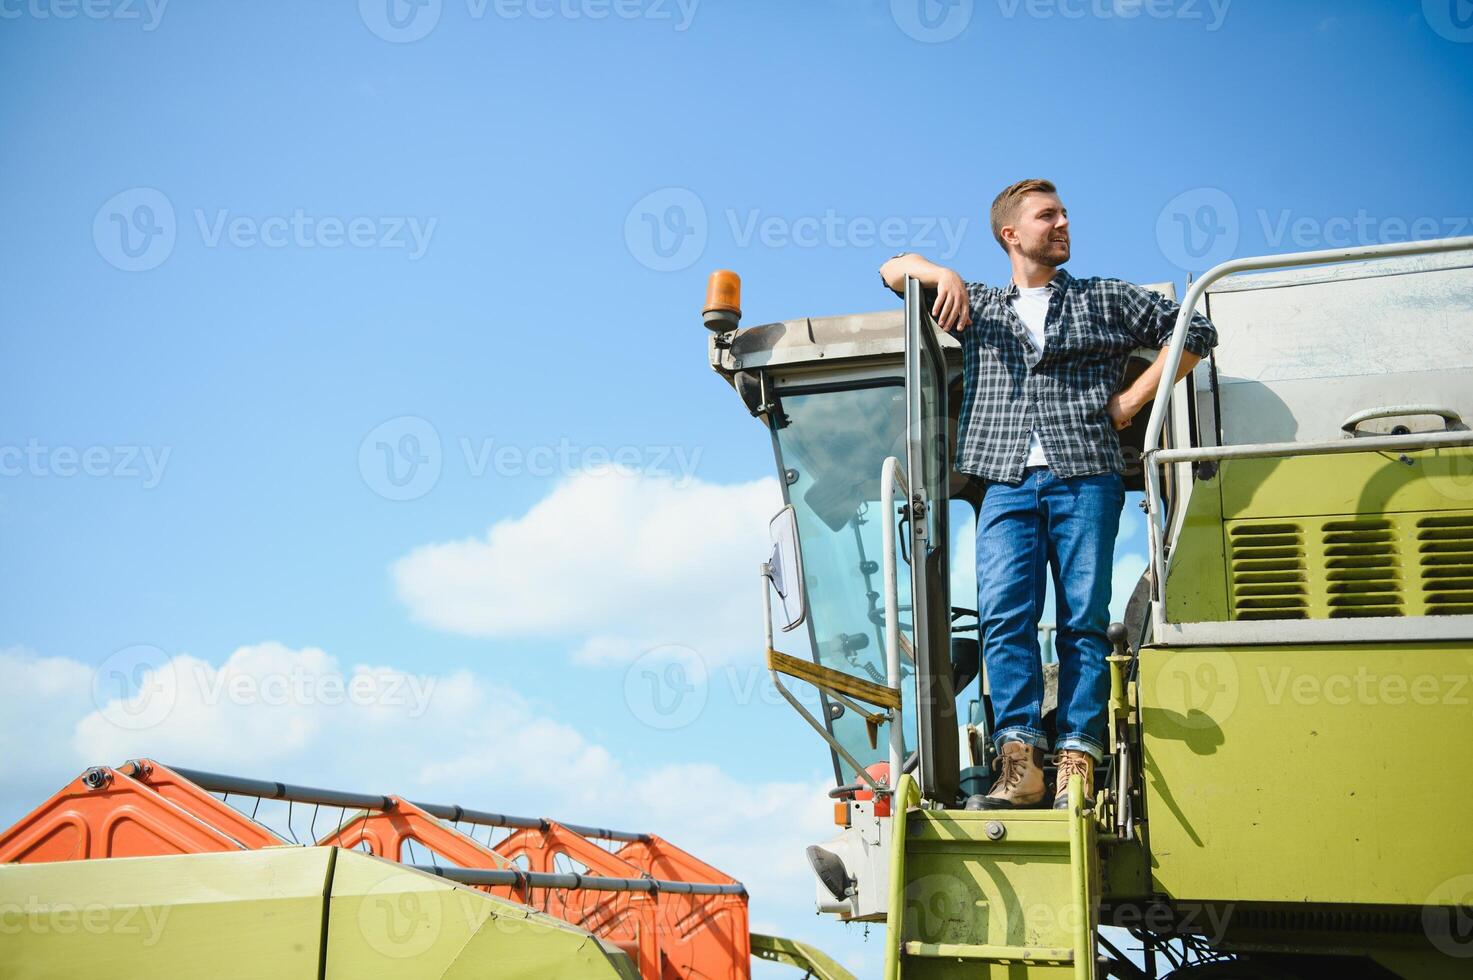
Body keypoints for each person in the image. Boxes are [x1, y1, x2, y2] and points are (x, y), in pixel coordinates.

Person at [879, 179, 1218, 809]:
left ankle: (1078, 761)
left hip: (1084, 473)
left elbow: (1196, 330)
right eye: (1047, 215)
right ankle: (1020, 762)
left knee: (1082, 621)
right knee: (1004, 618)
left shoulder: (1107, 298)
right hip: (1005, 481)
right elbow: (891, 268)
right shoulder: (978, 304)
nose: (1063, 223)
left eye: (1064, 213)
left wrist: (1129, 402)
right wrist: (937, 270)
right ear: (1011, 234)